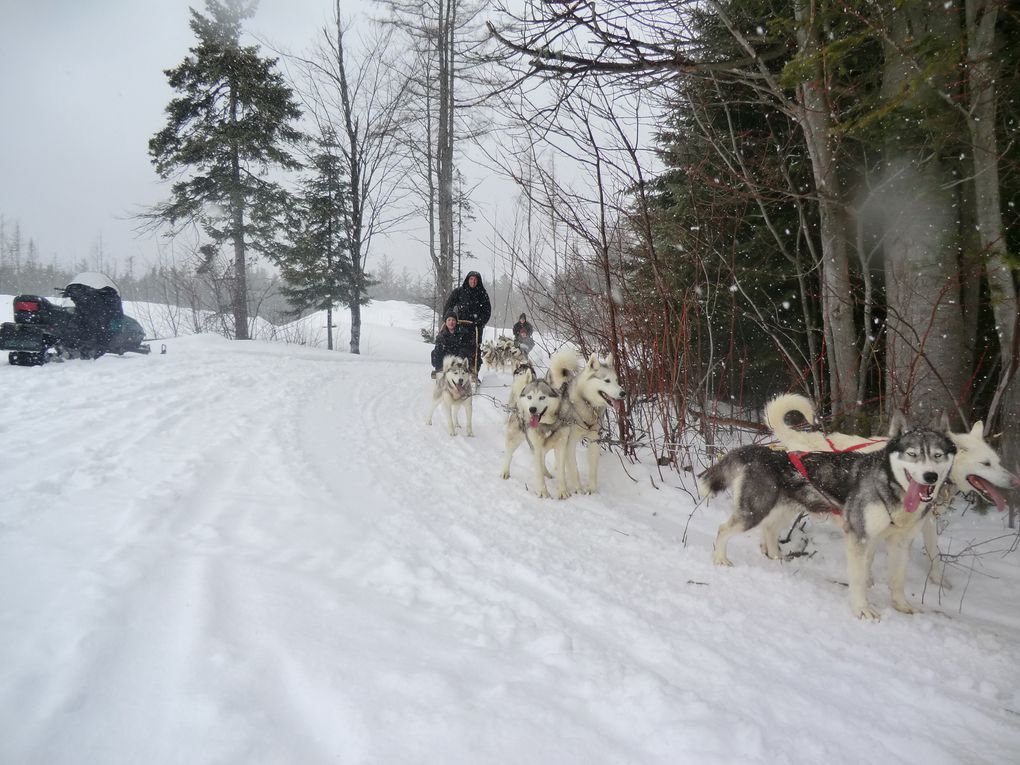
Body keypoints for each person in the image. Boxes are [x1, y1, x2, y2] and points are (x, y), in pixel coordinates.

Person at [442, 271, 491, 376]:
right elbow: (449, 304)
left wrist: (480, 321)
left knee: (474, 349)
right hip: (460, 325)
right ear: (467, 280)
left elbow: (487, 311)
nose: (473, 281)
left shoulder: (482, 293)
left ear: (478, 281)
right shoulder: (459, 292)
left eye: (475, 279)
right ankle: (452, 369)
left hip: (475, 328)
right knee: (456, 347)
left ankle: (473, 371)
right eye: (471, 279)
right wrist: (447, 317)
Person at [431, 311, 471, 378]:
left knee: (465, 352)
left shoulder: (463, 333)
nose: (451, 322)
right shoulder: (441, 335)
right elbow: (438, 350)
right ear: (446, 322)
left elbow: (465, 348)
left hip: (459, 358)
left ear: (456, 322)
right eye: (449, 320)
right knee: (435, 352)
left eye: (453, 320)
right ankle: (440, 372)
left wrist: (457, 359)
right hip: (446, 359)